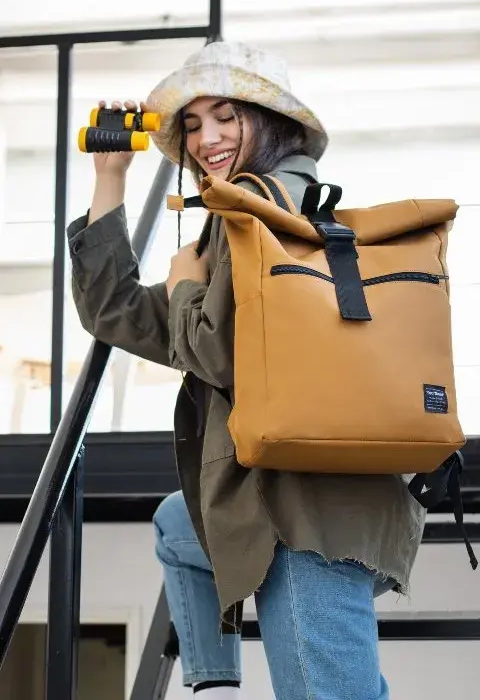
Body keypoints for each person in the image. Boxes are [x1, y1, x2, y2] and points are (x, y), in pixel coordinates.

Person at [67, 41, 426, 700]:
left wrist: (181, 287)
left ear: (271, 122)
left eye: (226, 117)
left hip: (303, 515)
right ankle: (214, 682)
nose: (207, 139)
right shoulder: (242, 219)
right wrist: (109, 176)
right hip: (287, 499)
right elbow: (114, 310)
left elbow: (219, 355)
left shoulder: (264, 213)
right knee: (182, 523)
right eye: (195, 124)